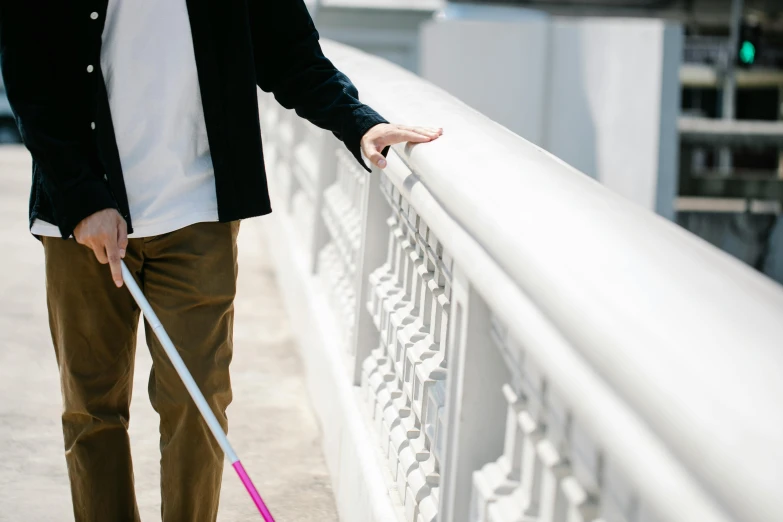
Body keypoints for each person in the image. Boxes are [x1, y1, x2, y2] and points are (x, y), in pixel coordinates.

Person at [0, 1, 442, 521]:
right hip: (84, 222)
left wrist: (358, 123)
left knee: (199, 405)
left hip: (197, 211)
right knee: (92, 408)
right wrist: (81, 199)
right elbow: (30, 76)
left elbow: (290, 53)